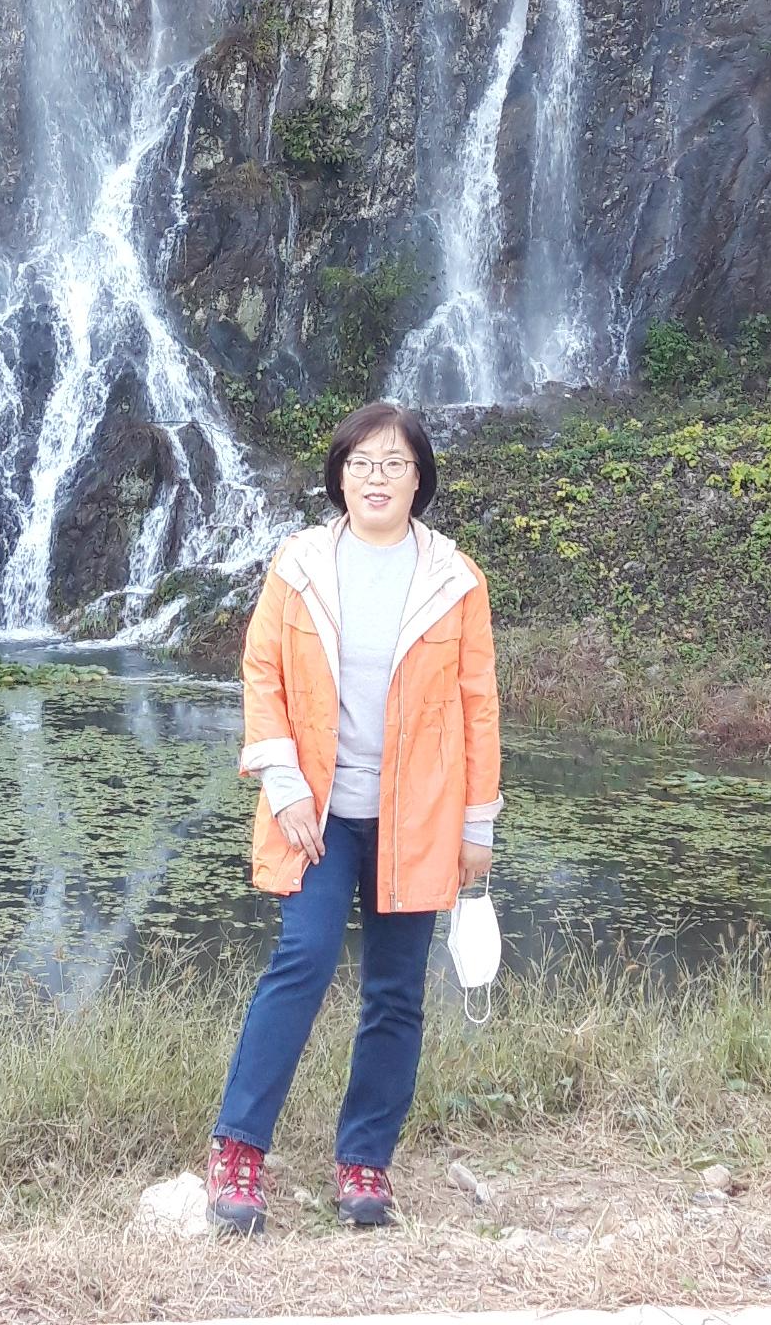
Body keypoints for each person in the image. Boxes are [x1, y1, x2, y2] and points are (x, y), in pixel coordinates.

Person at [204, 398, 503, 1233]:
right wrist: (284, 783)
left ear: (419, 479)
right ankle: (238, 1152)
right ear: (339, 476)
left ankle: (366, 1162)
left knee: (397, 991)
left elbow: (479, 706)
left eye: (394, 463)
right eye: (362, 462)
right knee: (301, 961)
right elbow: (262, 673)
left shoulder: (455, 580)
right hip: (317, 810)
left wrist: (478, 824)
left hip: (419, 815)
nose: (377, 477)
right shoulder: (298, 564)